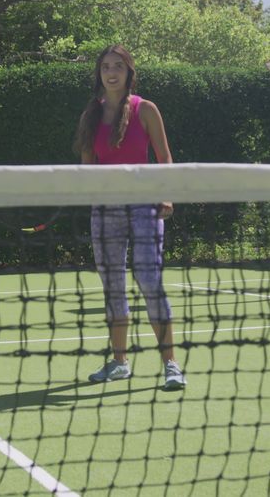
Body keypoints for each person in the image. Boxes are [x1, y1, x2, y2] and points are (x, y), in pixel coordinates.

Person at [72, 44, 186, 391]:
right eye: (106, 66)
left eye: (118, 66)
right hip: (105, 210)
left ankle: (171, 365)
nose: (111, 72)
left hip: (144, 206)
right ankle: (120, 363)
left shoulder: (147, 110)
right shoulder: (91, 114)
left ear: (129, 72)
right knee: (113, 288)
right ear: (99, 73)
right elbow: (88, 167)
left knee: (150, 281)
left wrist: (166, 194)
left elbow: (165, 158)